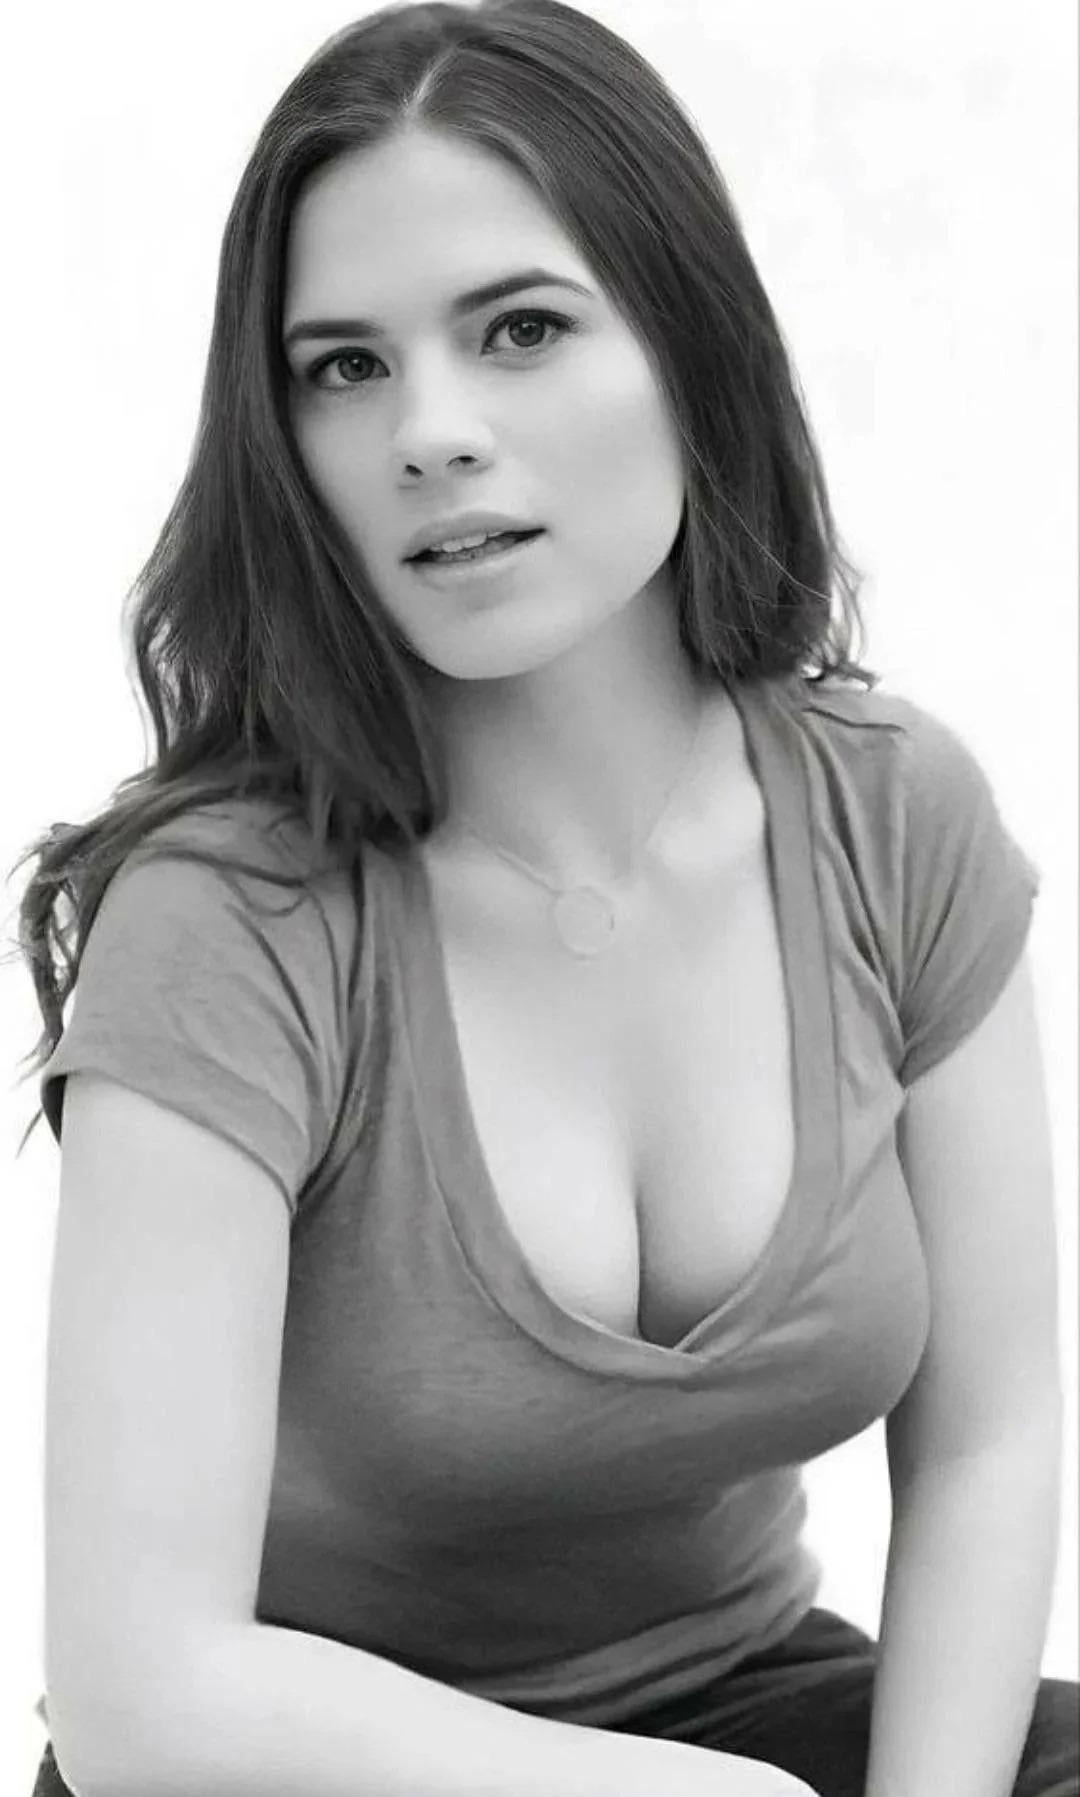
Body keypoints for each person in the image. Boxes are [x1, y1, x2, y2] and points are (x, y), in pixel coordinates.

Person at [11, 2, 1077, 1794]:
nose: (430, 431)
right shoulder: (231, 919)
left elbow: (989, 1435)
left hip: (749, 1699)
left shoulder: (896, 816)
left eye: (520, 328)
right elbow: (142, 1701)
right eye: (344, 366)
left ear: (689, 345)